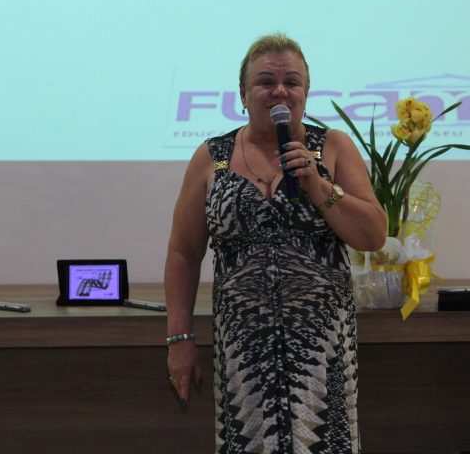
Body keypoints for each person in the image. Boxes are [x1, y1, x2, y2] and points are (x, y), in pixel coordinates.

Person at [164, 33, 386, 453]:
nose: (280, 91)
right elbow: (183, 253)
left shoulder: (332, 148)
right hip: (242, 354)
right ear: (243, 94)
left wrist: (319, 187)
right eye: (266, 82)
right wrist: (180, 339)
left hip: (321, 353)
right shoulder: (213, 156)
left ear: (306, 92)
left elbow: (373, 234)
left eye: (292, 82)